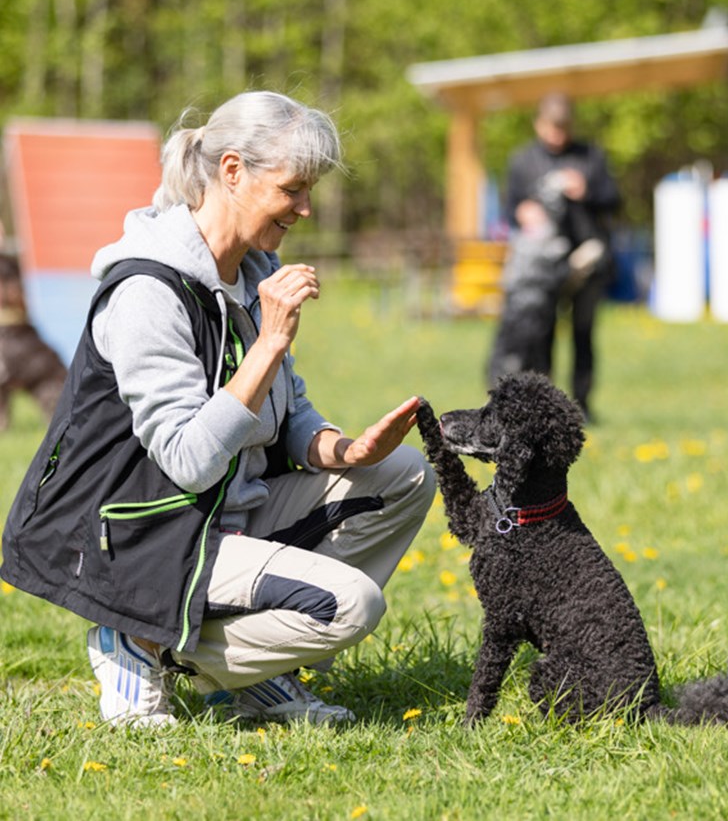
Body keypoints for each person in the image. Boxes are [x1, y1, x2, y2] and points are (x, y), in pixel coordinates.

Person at [1, 90, 436, 727]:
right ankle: (139, 638)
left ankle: (246, 666)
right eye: (293, 189)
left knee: (403, 478)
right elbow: (188, 460)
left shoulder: (253, 272)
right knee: (352, 607)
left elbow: (287, 416)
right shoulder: (149, 290)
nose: (306, 208)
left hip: (221, 516)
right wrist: (269, 342)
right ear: (232, 171)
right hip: (142, 532)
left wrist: (347, 451)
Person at [488, 92, 621, 419]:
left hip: (586, 258)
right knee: (541, 333)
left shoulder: (590, 157)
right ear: (538, 124)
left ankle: (582, 405)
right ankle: (545, 407)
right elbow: (509, 208)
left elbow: (615, 201)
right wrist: (523, 211)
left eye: (563, 128)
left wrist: (587, 190)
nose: (557, 136)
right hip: (543, 264)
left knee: (583, 332)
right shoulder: (523, 160)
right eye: (551, 128)